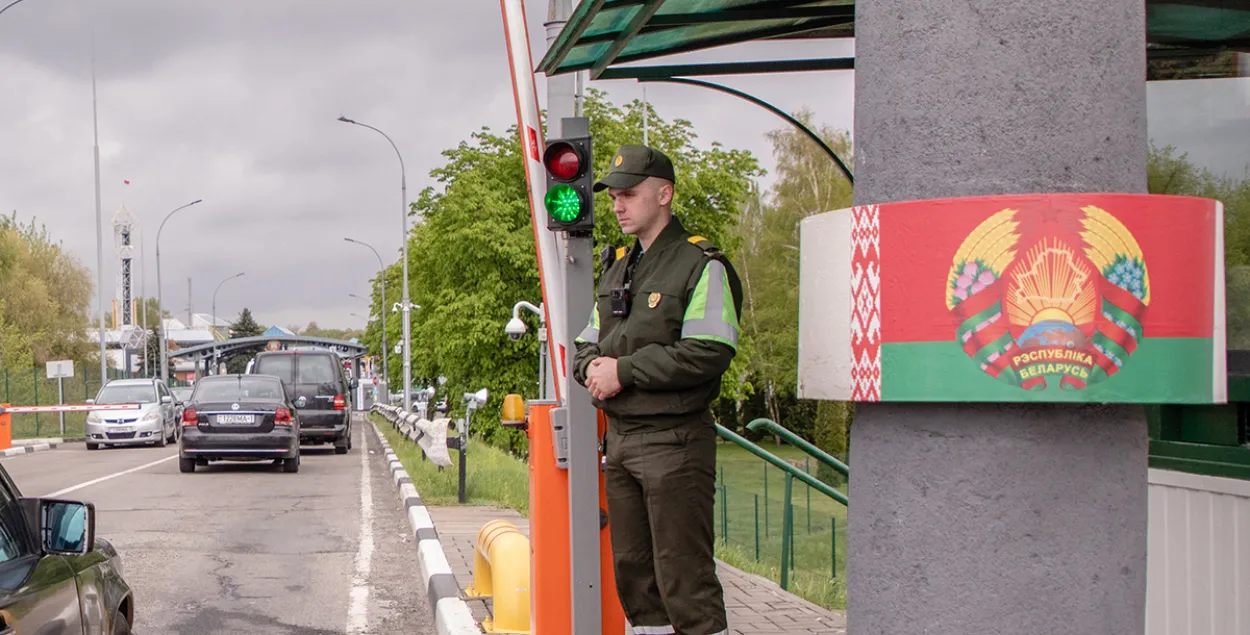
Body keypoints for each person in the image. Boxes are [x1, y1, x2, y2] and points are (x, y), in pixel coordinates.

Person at [573, 143, 743, 635]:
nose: (618, 205)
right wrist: (592, 369)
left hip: (675, 442)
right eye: (612, 197)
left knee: (684, 579)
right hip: (623, 441)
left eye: (628, 194)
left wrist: (623, 372)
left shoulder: (699, 263)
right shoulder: (620, 266)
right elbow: (586, 341)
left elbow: (709, 352)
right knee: (635, 576)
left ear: (663, 193)